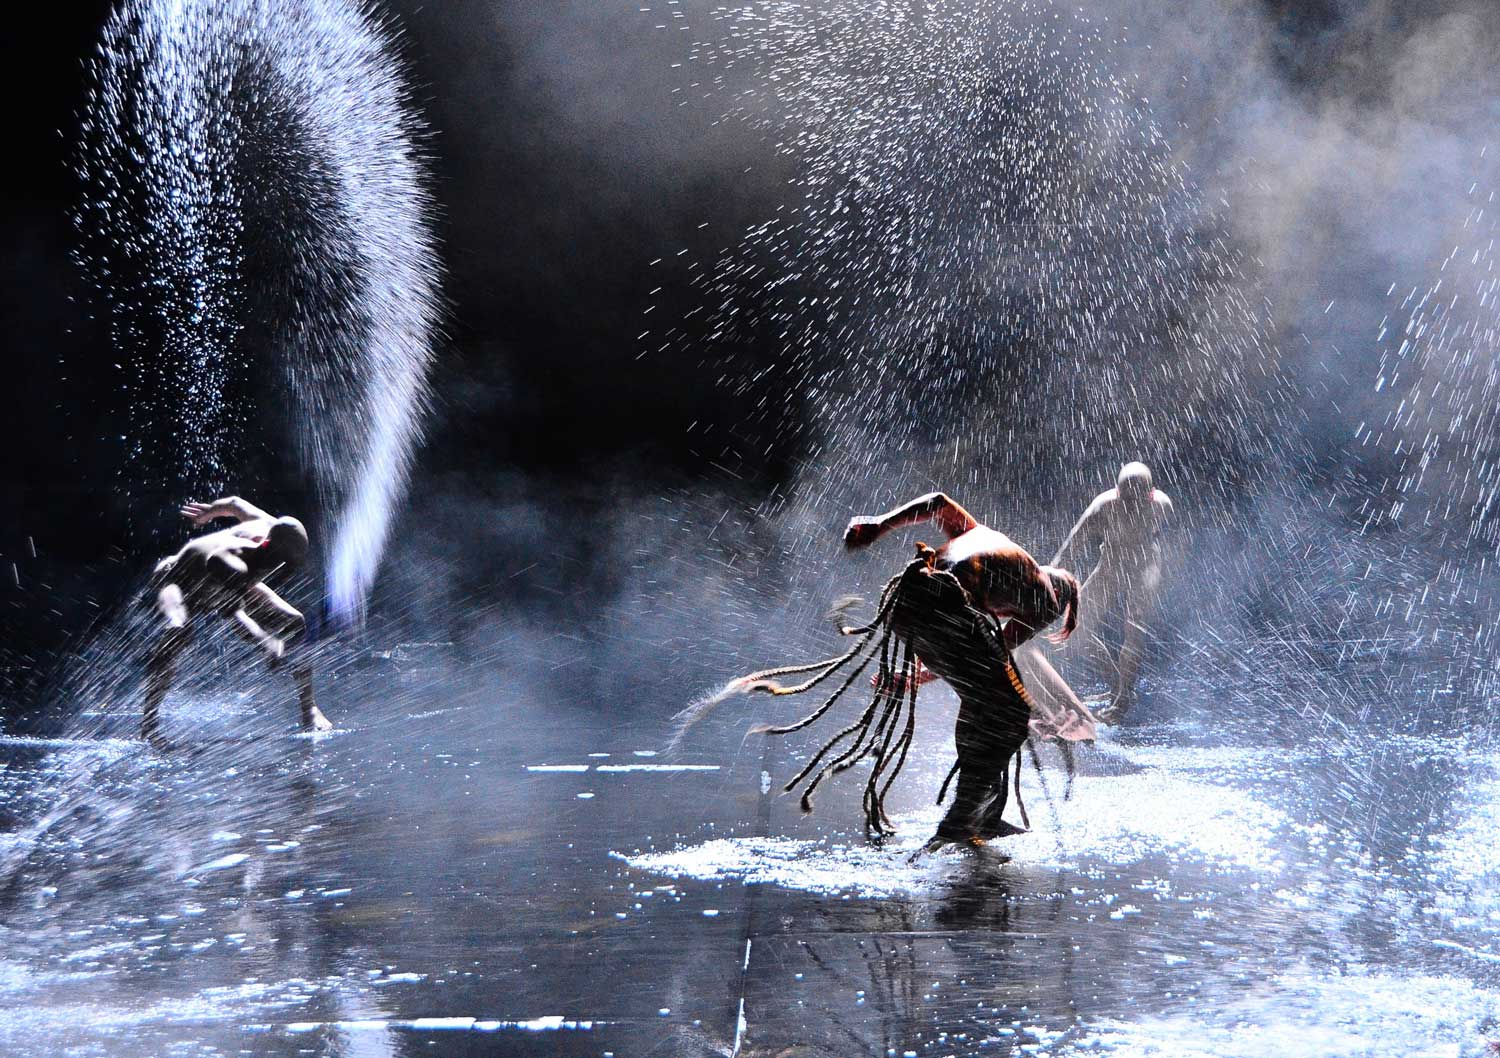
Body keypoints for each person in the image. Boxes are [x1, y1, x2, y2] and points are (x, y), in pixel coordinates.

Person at [842, 492, 1093, 846]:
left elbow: (936, 501)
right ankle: (965, 819)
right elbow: (996, 653)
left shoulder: (987, 536)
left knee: (981, 701)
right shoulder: (1047, 599)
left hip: (906, 600)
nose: (1005, 615)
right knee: (1008, 713)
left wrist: (878, 525)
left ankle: (981, 814)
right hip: (944, 608)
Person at [143, 495, 331, 743]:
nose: (286, 571)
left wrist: (209, 512)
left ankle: (309, 708)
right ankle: (149, 723)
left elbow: (234, 503)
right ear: (266, 547)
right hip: (177, 580)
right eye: (283, 564)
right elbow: (232, 613)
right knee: (178, 630)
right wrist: (267, 643)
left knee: (295, 622)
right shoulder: (232, 562)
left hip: (227, 585)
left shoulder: (267, 524)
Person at [1052, 462, 1173, 721]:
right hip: (1111, 564)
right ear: (1117, 493)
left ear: (1150, 495)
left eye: (1137, 500)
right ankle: (1116, 684)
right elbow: (1073, 543)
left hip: (1145, 565)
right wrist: (1049, 578)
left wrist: (1166, 572)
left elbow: (1173, 541)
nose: (1130, 506)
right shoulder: (1104, 505)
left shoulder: (1162, 506)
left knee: (1136, 624)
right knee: (1076, 626)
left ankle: (1123, 698)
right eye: (1126, 499)